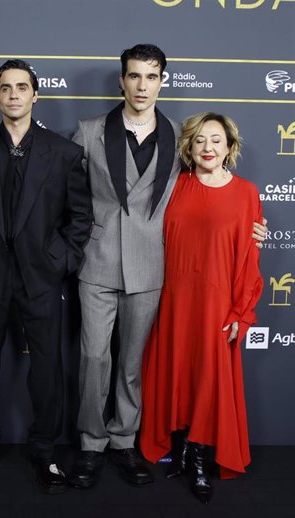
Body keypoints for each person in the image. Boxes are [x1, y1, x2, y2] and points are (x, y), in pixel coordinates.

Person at [68, 44, 267, 491]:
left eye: (151, 76)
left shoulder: (180, 137)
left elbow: (212, 196)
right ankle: (90, 444)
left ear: (162, 81)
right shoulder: (88, 131)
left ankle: (123, 441)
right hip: (97, 263)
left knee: (133, 365)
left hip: (151, 268)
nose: (142, 85)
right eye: (134, 76)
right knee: (94, 358)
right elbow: (67, 197)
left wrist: (249, 227)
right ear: (122, 81)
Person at [0, 59, 93, 494]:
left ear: (36, 94)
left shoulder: (65, 152)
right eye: (5, 88)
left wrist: (59, 261)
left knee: (47, 370)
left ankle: (45, 454)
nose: (13, 94)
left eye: (21, 87)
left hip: (41, 278)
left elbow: (80, 218)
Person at [140, 113, 263, 504]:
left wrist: (241, 313)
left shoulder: (246, 193)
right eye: (199, 141)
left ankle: (197, 457)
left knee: (209, 378)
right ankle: (179, 448)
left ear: (229, 147)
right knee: (177, 374)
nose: (208, 148)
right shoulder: (174, 186)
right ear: (188, 148)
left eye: (216, 140)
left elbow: (248, 261)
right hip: (174, 301)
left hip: (216, 306)